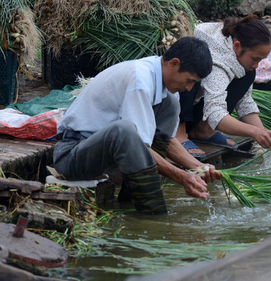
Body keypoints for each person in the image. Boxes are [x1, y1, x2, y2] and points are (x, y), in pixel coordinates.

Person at [53, 37, 220, 214]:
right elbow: (139, 144)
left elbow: (168, 141)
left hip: (103, 155)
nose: (189, 88)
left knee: (170, 104)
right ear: (174, 63)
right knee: (123, 130)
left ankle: (131, 198)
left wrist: (199, 167)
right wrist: (182, 176)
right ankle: (155, 215)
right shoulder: (140, 79)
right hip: (71, 157)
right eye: (189, 80)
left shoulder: (166, 87)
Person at [177, 15, 271, 157]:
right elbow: (214, 113)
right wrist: (253, 132)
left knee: (248, 74)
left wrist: (263, 132)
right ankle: (178, 133)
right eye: (255, 59)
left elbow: (244, 102)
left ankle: (204, 130)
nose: (257, 65)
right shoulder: (218, 62)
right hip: (177, 109)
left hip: (198, 108)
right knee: (188, 74)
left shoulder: (239, 59)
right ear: (237, 46)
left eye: (260, 60)